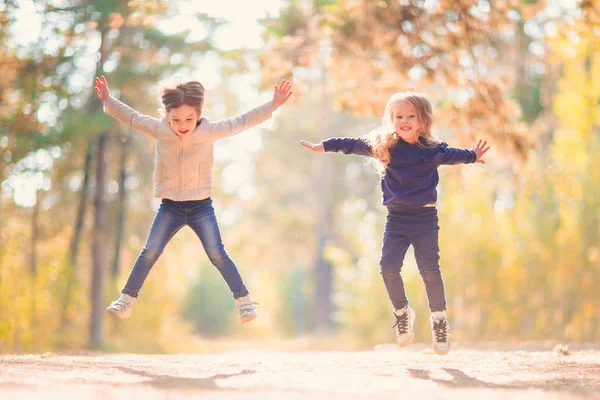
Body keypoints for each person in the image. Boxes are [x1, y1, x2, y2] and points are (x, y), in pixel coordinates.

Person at [300, 91, 489, 355]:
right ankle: (403, 313)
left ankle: (439, 322)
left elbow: (456, 155)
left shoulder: (433, 151)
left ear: (423, 121)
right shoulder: (384, 147)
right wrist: (325, 145)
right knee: (388, 268)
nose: (404, 120)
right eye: (399, 116)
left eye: (411, 116)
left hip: (424, 220)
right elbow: (352, 144)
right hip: (397, 219)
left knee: (430, 271)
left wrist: (472, 155)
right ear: (391, 120)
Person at [94, 75, 292, 323]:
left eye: (189, 118)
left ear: (199, 113)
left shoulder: (209, 131)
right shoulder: (160, 130)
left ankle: (244, 302)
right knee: (150, 251)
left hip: (201, 207)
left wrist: (272, 105)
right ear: (166, 115)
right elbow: (133, 118)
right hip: (170, 207)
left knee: (217, 253)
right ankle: (125, 300)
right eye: (175, 119)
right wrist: (108, 101)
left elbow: (241, 121)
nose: (182, 124)